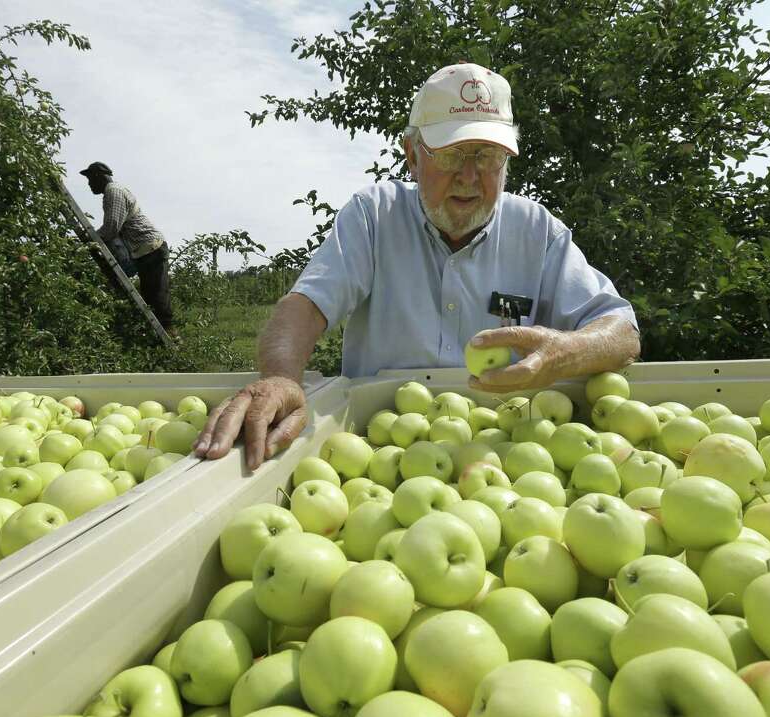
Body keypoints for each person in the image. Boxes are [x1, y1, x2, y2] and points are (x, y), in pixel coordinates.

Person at [196, 63, 640, 469]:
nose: (469, 176)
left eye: (487, 156)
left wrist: (564, 352)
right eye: (450, 155)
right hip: (373, 454)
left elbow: (620, 330)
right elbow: (307, 304)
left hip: (504, 457)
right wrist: (279, 378)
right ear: (412, 154)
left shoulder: (537, 231)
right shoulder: (374, 216)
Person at [80, 162, 174, 326]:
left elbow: (111, 228)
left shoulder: (113, 192)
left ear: (98, 176)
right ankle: (157, 336)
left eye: (90, 179)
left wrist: (89, 239)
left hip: (150, 248)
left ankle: (170, 335)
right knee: (149, 296)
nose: (89, 184)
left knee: (157, 294)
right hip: (143, 250)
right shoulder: (113, 191)